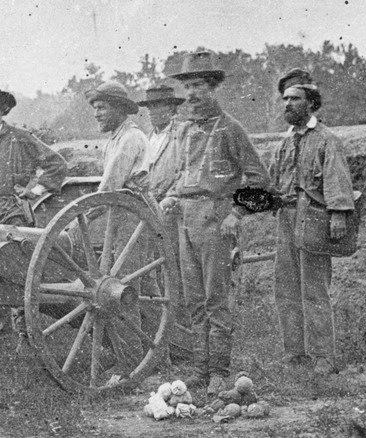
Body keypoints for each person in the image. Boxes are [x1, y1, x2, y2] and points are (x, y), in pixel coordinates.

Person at [160, 52, 270, 396]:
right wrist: (174, 197)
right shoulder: (186, 131)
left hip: (215, 221)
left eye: (198, 87)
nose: (191, 94)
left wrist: (235, 215)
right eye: (188, 87)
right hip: (186, 220)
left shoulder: (230, 129)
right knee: (193, 299)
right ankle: (199, 370)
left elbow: (261, 180)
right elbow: (183, 175)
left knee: (216, 300)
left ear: (213, 89)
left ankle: (220, 371)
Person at [0, 80, 68, 341]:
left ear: (2, 111)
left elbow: (57, 165)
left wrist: (32, 192)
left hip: (12, 217)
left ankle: (25, 337)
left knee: (16, 278)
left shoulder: (19, 138)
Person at [269, 69, 355, 376]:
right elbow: (271, 182)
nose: (287, 104)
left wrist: (339, 215)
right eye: (285, 99)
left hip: (315, 219)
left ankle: (323, 357)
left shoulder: (327, 141)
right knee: (285, 288)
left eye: (294, 98)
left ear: (311, 103)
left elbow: (337, 180)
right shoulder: (282, 143)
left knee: (314, 289)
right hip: (286, 220)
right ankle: (294, 354)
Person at [86, 81, 153, 385]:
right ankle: (152, 355)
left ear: (119, 108)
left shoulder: (130, 138)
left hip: (134, 218)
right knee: (139, 287)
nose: (97, 112)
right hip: (123, 216)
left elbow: (110, 186)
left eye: (102, 106)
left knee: (122, 289)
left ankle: (131, 366)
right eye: (95, 107)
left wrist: (81, 219)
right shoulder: (116, 137)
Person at [137, 85, 191, 344]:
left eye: (158, 107)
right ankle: (159, 325)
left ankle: (181, 329)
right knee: (152, 267)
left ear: (171, 108)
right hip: (149, 207)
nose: (152, 112)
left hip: (172, 208)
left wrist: (174, 195)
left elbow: (187, 171)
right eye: (149, 108)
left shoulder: (181, 134)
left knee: (173, 268)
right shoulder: (149, 137)